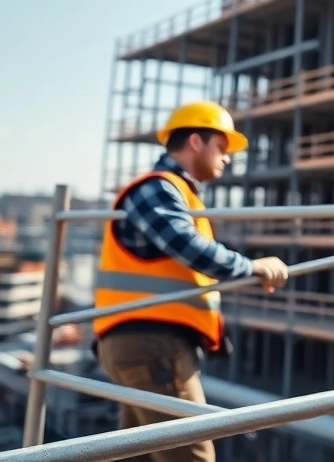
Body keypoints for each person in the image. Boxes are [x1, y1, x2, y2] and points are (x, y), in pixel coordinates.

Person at [93, 100, 290, 462]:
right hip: (152, 344)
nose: (228, 157)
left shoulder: (172, 192)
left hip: (140, 342)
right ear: (196, 142)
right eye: (222, 145)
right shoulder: (158, 189)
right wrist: (251, 267)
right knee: (194, 456)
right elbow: (188, 246)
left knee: (138, 457)